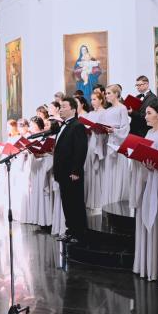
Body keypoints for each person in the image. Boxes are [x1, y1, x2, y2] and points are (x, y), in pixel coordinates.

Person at [132, 102, 158, 281]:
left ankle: (156, 265)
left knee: (155, 218)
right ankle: (145, 264)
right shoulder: (149, 132)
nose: (146, 116)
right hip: (147, 178)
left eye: (149, 113)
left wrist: (151, 161)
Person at [53, 97, 89, 242]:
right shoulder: (64, 126)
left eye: (63, 107)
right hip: (62, 172)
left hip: (71, 173)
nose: (60, 109)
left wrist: (75, 171)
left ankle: (79, 233)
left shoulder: (77, 126)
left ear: (73, 110)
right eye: (60, 107)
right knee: (67, 203)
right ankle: (70, 230)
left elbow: (80, 150)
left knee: (76, 203)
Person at [100, 85, 131, 205]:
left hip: (118, 143)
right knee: (109, 171)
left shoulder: (122, 108)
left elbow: (125, 127)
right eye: (106, 93)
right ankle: (109, 201)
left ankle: (117, 200)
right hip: (109, 142)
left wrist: (115, 131)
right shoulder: (108, 110)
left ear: (116, 94)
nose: (106, 96)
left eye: (109, 93)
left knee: (118, 171)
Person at [83, 91, 106, 209]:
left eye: (95, 99)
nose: (92, 102)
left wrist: (98, 130)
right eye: (91, 99)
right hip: (90, 140)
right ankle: (90, 199)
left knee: (98, 170)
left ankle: (98, 200)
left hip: (99, 141)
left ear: (101, 100)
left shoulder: (104, 113)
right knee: (89, 170)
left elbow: (105, 129)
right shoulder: (90, 113)